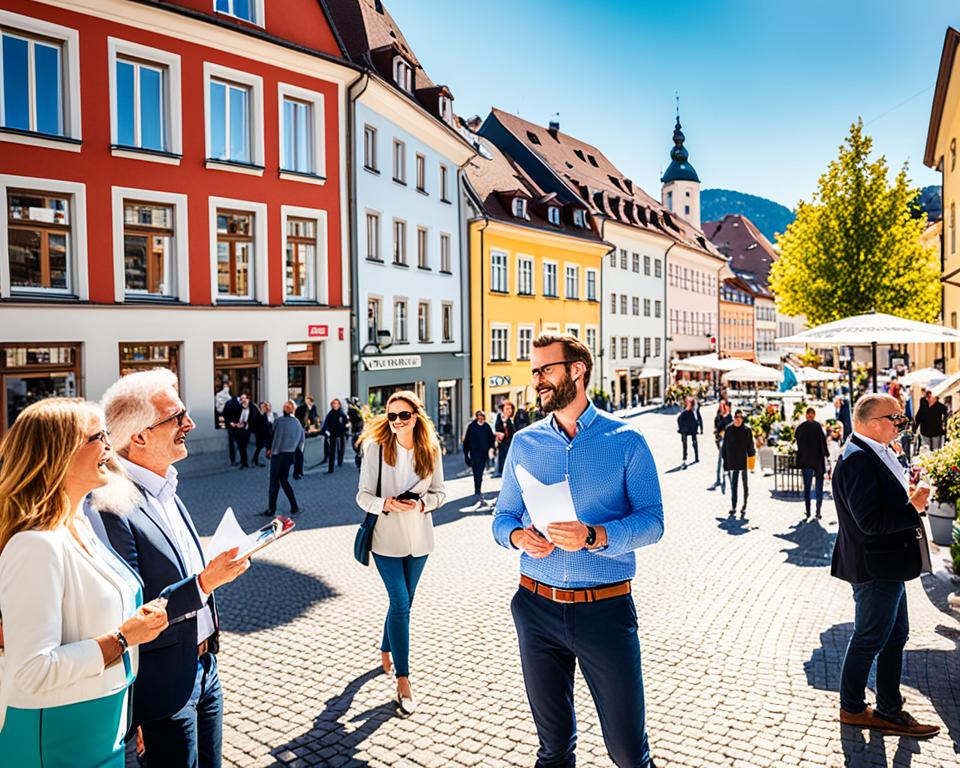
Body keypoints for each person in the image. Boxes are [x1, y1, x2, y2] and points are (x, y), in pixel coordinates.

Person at [493, 334, 663, 768]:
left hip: (604, 611)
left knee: (628, 752)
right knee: (553, 751)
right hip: (536, 607)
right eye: (535, 372)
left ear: (577, 370)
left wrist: (595, 536)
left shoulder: (627, 440)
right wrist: (518, 537)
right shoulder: (525, 443)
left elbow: (653, 522)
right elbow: (502, 518)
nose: (538, 381)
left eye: (546, 370)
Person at [90, 369, 251, 767]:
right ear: (139, 436)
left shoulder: (167, 486)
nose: (189, 424)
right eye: (176, 417)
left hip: (204, 667)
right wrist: (205, 581)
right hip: (160, 688)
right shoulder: (111, 504)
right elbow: (129, 611)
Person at [0, 398, 169, 767]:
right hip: (56, 737)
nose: (111, 447)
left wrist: (129, 713)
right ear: (59, 452)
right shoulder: (35, 545)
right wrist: (124, 638)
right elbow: (31, 670)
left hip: (105, 723)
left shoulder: (81, 525)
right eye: (99, 436)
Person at [831, 393, 939, 738]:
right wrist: (914, 507)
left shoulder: (874, 451)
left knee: (894, 636)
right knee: (869, 638)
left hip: (888, 565)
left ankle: (889, 708)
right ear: (876, 423)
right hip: (875, 568)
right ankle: (852, 708)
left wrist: (905, 494)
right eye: (898, 419)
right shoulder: (858, 460)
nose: (902, 426)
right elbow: (870, 522)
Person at [356, 391, 445, 716]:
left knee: (402, 602)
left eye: (403, 416)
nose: (396, 422)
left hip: (420, 539)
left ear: (416, 417)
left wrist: (422, 504)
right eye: (391, 416)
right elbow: (362, 497)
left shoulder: (430, 450)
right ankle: (404, 681)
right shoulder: (375, 448)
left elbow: (440, 493)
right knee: (401, 603)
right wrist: (386, 504)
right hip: (385, 539)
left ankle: (385, 647)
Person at [264, 401, 305, 516]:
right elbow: (301, 442)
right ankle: (294, 507)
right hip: (289, 455)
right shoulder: (297, 423)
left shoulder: (279, 421)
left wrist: (269, 448)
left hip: (277, 454)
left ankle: (271, 509)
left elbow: (270, 434)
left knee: (274, 482)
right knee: (284, 480)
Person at [795, 407, 829, 521]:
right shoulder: (818, 427)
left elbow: (797, 442)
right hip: (818, 461)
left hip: (806, 461)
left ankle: (808, 511)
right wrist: (826, 456)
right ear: (813, 415)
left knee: (807, 488)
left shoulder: (800, 427)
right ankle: (818, 511)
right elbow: (823, 443)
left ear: (806, 415)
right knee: (819, 488)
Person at [722, 410, 755, 518]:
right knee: (733, 485)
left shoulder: (747, 430)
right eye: (737, 417)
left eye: (741, 417)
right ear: (734, 417)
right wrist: (725, 463)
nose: (739, 419)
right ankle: (733, 506)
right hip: (732, 461)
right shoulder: (728, 429)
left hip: (743, 461)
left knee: (745, 485)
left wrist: (751, 464)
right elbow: (724, 448)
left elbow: (750, 447)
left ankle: (744, 505)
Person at [463, 410, 495, 501]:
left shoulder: (487, 427)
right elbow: (466, 441)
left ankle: (478, 489)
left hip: (483, 453)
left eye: (482, 417)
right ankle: (476, 487)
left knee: (480, 471)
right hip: (474, 453)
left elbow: (491, 439)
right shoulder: (472, 426)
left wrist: (492, 448)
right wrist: (466, 454)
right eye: (479, 417)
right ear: (476, 417)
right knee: (475, 471)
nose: (481, 418)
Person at [222, 393, 251, 469]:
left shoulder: (244, 405)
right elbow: (225, 414)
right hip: (235, 427)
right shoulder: (232, 403)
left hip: (239, 427)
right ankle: (238, 461)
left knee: (240, 445)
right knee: (236, 444)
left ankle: (241, 461)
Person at [321, 398, 349, 474]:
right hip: (332, 435)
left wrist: (346, 430)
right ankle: (330, 469)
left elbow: (346, 423)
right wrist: (327, 432)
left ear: (339, 405)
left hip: (341, 434)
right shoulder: (330, 414)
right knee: (332, 452)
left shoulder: (342, 414)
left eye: (336, 404)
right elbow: (326, 424)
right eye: (333, 404)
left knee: (341, 449)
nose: (335, 405)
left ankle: (340, 462)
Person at [713, 400, 733, 492]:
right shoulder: (719, 416)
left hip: (727, 441)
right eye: (720, 405)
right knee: (722, 460)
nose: (721, 407)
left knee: (723, 460)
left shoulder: (729, 416)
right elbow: (717, 425)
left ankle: (725, 478)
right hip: (720, 440)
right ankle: (720, 479)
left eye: (723, 405)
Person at [493, 401, 517, 478]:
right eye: (507, 409)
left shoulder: (512, 419)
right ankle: (501, 471)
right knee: (502, 456)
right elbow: (497, 427)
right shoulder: (499, 417)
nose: (509, 410)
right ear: (503, 409)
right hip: (502, 442)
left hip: (510, 442)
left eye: (511, 409)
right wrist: (504, 424)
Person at [677, 397, 702, 468]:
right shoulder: (684, 409)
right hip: (685, 428)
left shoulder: (693, 411)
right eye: (686, 401)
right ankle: (684, 458)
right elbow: (679, 419)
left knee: (694, 442)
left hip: (692, 428)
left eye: (688, 402)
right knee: (684, 442)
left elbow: (697, 420)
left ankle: (696, 457)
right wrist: (681, 427)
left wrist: (698, 428)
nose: (686, 402)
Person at [250, 401, 274, 467]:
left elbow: (267, 425)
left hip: (266, 434)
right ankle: (254, 461)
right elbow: (258, 425)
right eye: (262, 406)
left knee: (261, 447)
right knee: (259, 447)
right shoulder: (259, 415)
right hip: (260, 434)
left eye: (264, 406)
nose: (264, 407)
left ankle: (256, 461)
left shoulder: (264, 414)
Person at [347, 397, 365, 469]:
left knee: (360, 450)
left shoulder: (358, 410)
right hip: (356, 431)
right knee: (358, 450)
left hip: (360, 431)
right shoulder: (352, 411)